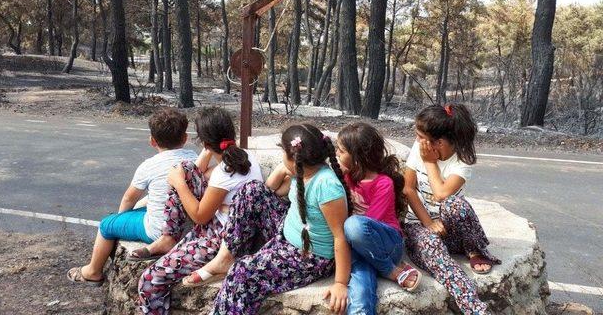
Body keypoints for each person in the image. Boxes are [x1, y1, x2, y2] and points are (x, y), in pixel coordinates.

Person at [200, 124, 351, 315]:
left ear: (294, 157)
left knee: (242, 274)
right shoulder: (301, 171)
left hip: (309, 256)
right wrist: (282, 169)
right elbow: (268, 189)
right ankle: (226, 256)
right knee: (252, 189)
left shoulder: (326, 186)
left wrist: (340, 283)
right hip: (287, 234)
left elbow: (340, 237)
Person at [137, 107, 263, 315]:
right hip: (229, 228)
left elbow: (199, 216)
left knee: (150, 279)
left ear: (204, 143)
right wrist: (205, 152)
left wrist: (179, 184)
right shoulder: (246, 157)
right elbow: (196, 171)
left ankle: (169, 237)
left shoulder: (223, 173)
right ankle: (169, 238)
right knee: (185, 168)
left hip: (223, 239)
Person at [66, 108, 196, 286]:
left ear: (152, 141)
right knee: (147, 202)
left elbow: (129, 198)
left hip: (159, 232)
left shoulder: (149, 166)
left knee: (106, 225)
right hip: (189, 227)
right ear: (185, 138)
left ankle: (93, 271)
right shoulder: (195, 158)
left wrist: (121, 218)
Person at [403, 103, 500, 315]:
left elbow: (441, 194)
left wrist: (429, 163)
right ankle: (476, 309)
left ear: (439, 142)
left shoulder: (462, 161)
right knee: (432, 247)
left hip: (451, 230)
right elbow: (408, 189)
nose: (417, 140)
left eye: (420, 136)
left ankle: (474, 249)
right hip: (420, 226)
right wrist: (427, 223)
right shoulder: (418, 148)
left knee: (455, 204)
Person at [335, 122, 422, 315]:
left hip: (387, 243)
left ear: (357, 156)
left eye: (341, 151)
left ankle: (391, 271)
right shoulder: (347, 177)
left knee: (353, 225)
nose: (337, 155)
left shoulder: (383, 183)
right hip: (360, 249)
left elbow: (367, 224)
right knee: (360, 287)